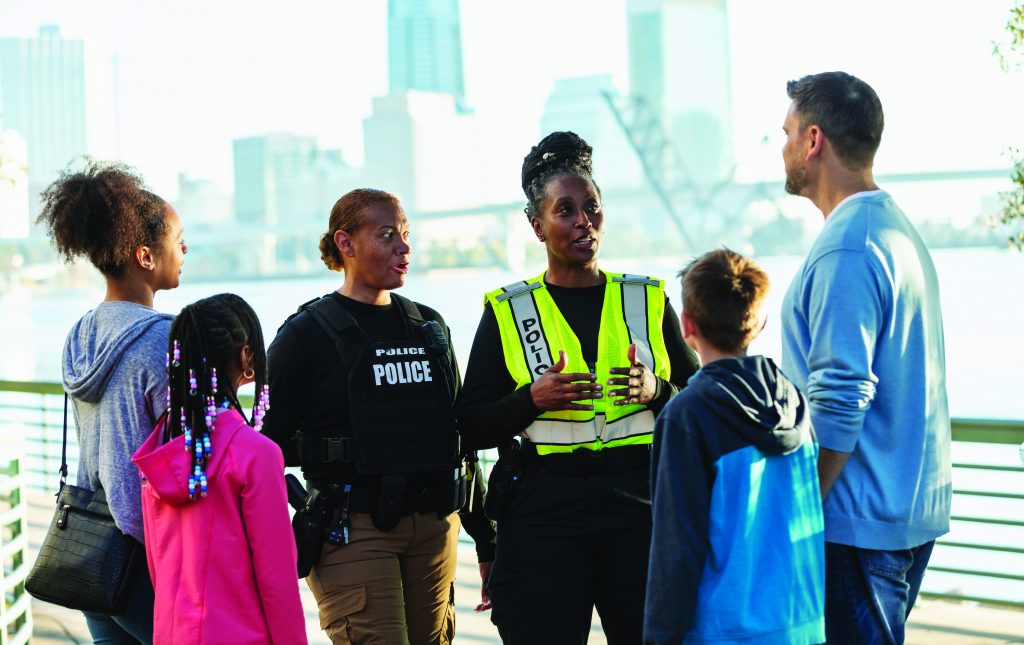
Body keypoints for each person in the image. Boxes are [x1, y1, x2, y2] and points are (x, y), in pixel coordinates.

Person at [457, 131, 701, 644]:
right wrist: (531, 400)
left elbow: (700, 405)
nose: (583, 221)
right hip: (543, 510)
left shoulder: (647, 300)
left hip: (639, 508)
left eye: (591, 207)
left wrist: (658, 390)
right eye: (565, 210)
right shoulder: (508, 311)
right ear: (535, 224)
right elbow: (470, 425)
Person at [262, 188, 495, 645]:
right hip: (353, 531)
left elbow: (459, 436)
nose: (403, 247)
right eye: (386, 235)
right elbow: (263, 444)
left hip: (434, 527)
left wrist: (486, 538)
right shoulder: (304, 334)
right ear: (345, 243)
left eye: (405, 235)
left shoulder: (429, 326)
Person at [780, 71, 951, 644]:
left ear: (813, 140)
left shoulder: (848, 246)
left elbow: (841, 395)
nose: (782, 149)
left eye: (786, 134)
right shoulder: (894, 229)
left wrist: (801, 506)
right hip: (901, 509)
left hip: (856, 524)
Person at [37, 161, 186, 644]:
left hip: (93, 547)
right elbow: (193, 451)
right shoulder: (165, 341)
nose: (184, 249)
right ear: (145, 255)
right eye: (177, 239)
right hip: (150, 553)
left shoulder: (80, 333)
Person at [643, 249, 825, 645]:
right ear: (758, 323)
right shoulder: (794, 400)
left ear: (687, 325)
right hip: (802, 624)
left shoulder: (687, 416)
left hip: (723, 633)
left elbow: (677, 550)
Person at [131, 294, 307, 644]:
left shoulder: (161, 453)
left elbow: (157, 568)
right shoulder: (256, 455)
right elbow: (277, 578)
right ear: (246, 357)